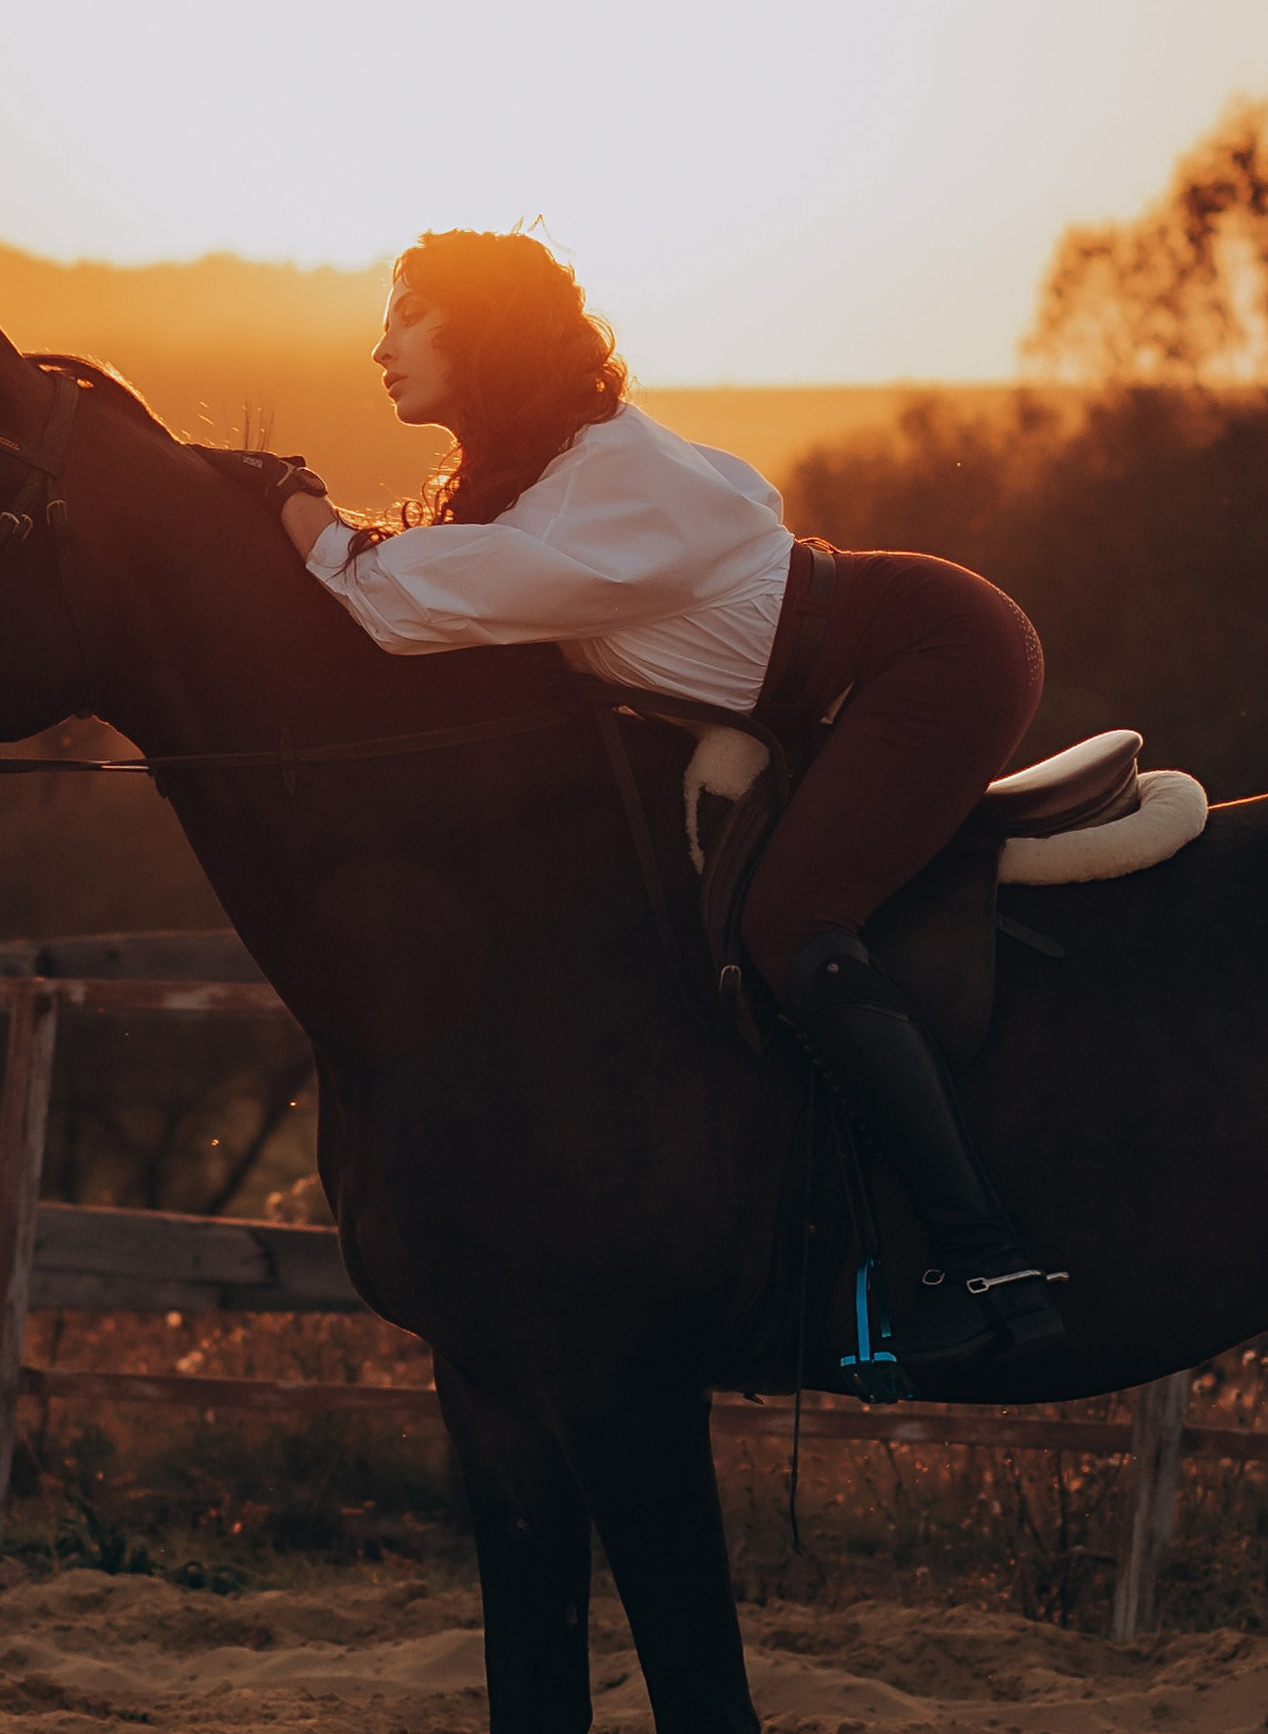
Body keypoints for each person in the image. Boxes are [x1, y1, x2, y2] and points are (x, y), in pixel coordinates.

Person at [267, 228, 1062, 1368]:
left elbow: (390, 604)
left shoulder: (605, 486)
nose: (379, 345)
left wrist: (284, 498)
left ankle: (986, 1263)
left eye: (407, 315)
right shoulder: (550, 472)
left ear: (479, 329)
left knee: (792, 924)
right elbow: (444, 602)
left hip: (932, 656)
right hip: (851, 668)